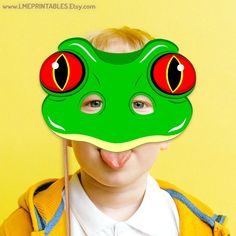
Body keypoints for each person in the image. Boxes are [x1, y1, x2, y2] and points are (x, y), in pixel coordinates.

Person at [0, 26, 230, 236]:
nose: (116, 130)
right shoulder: (23, 227)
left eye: (139, 104)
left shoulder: (200, 228)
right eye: (95, 103)